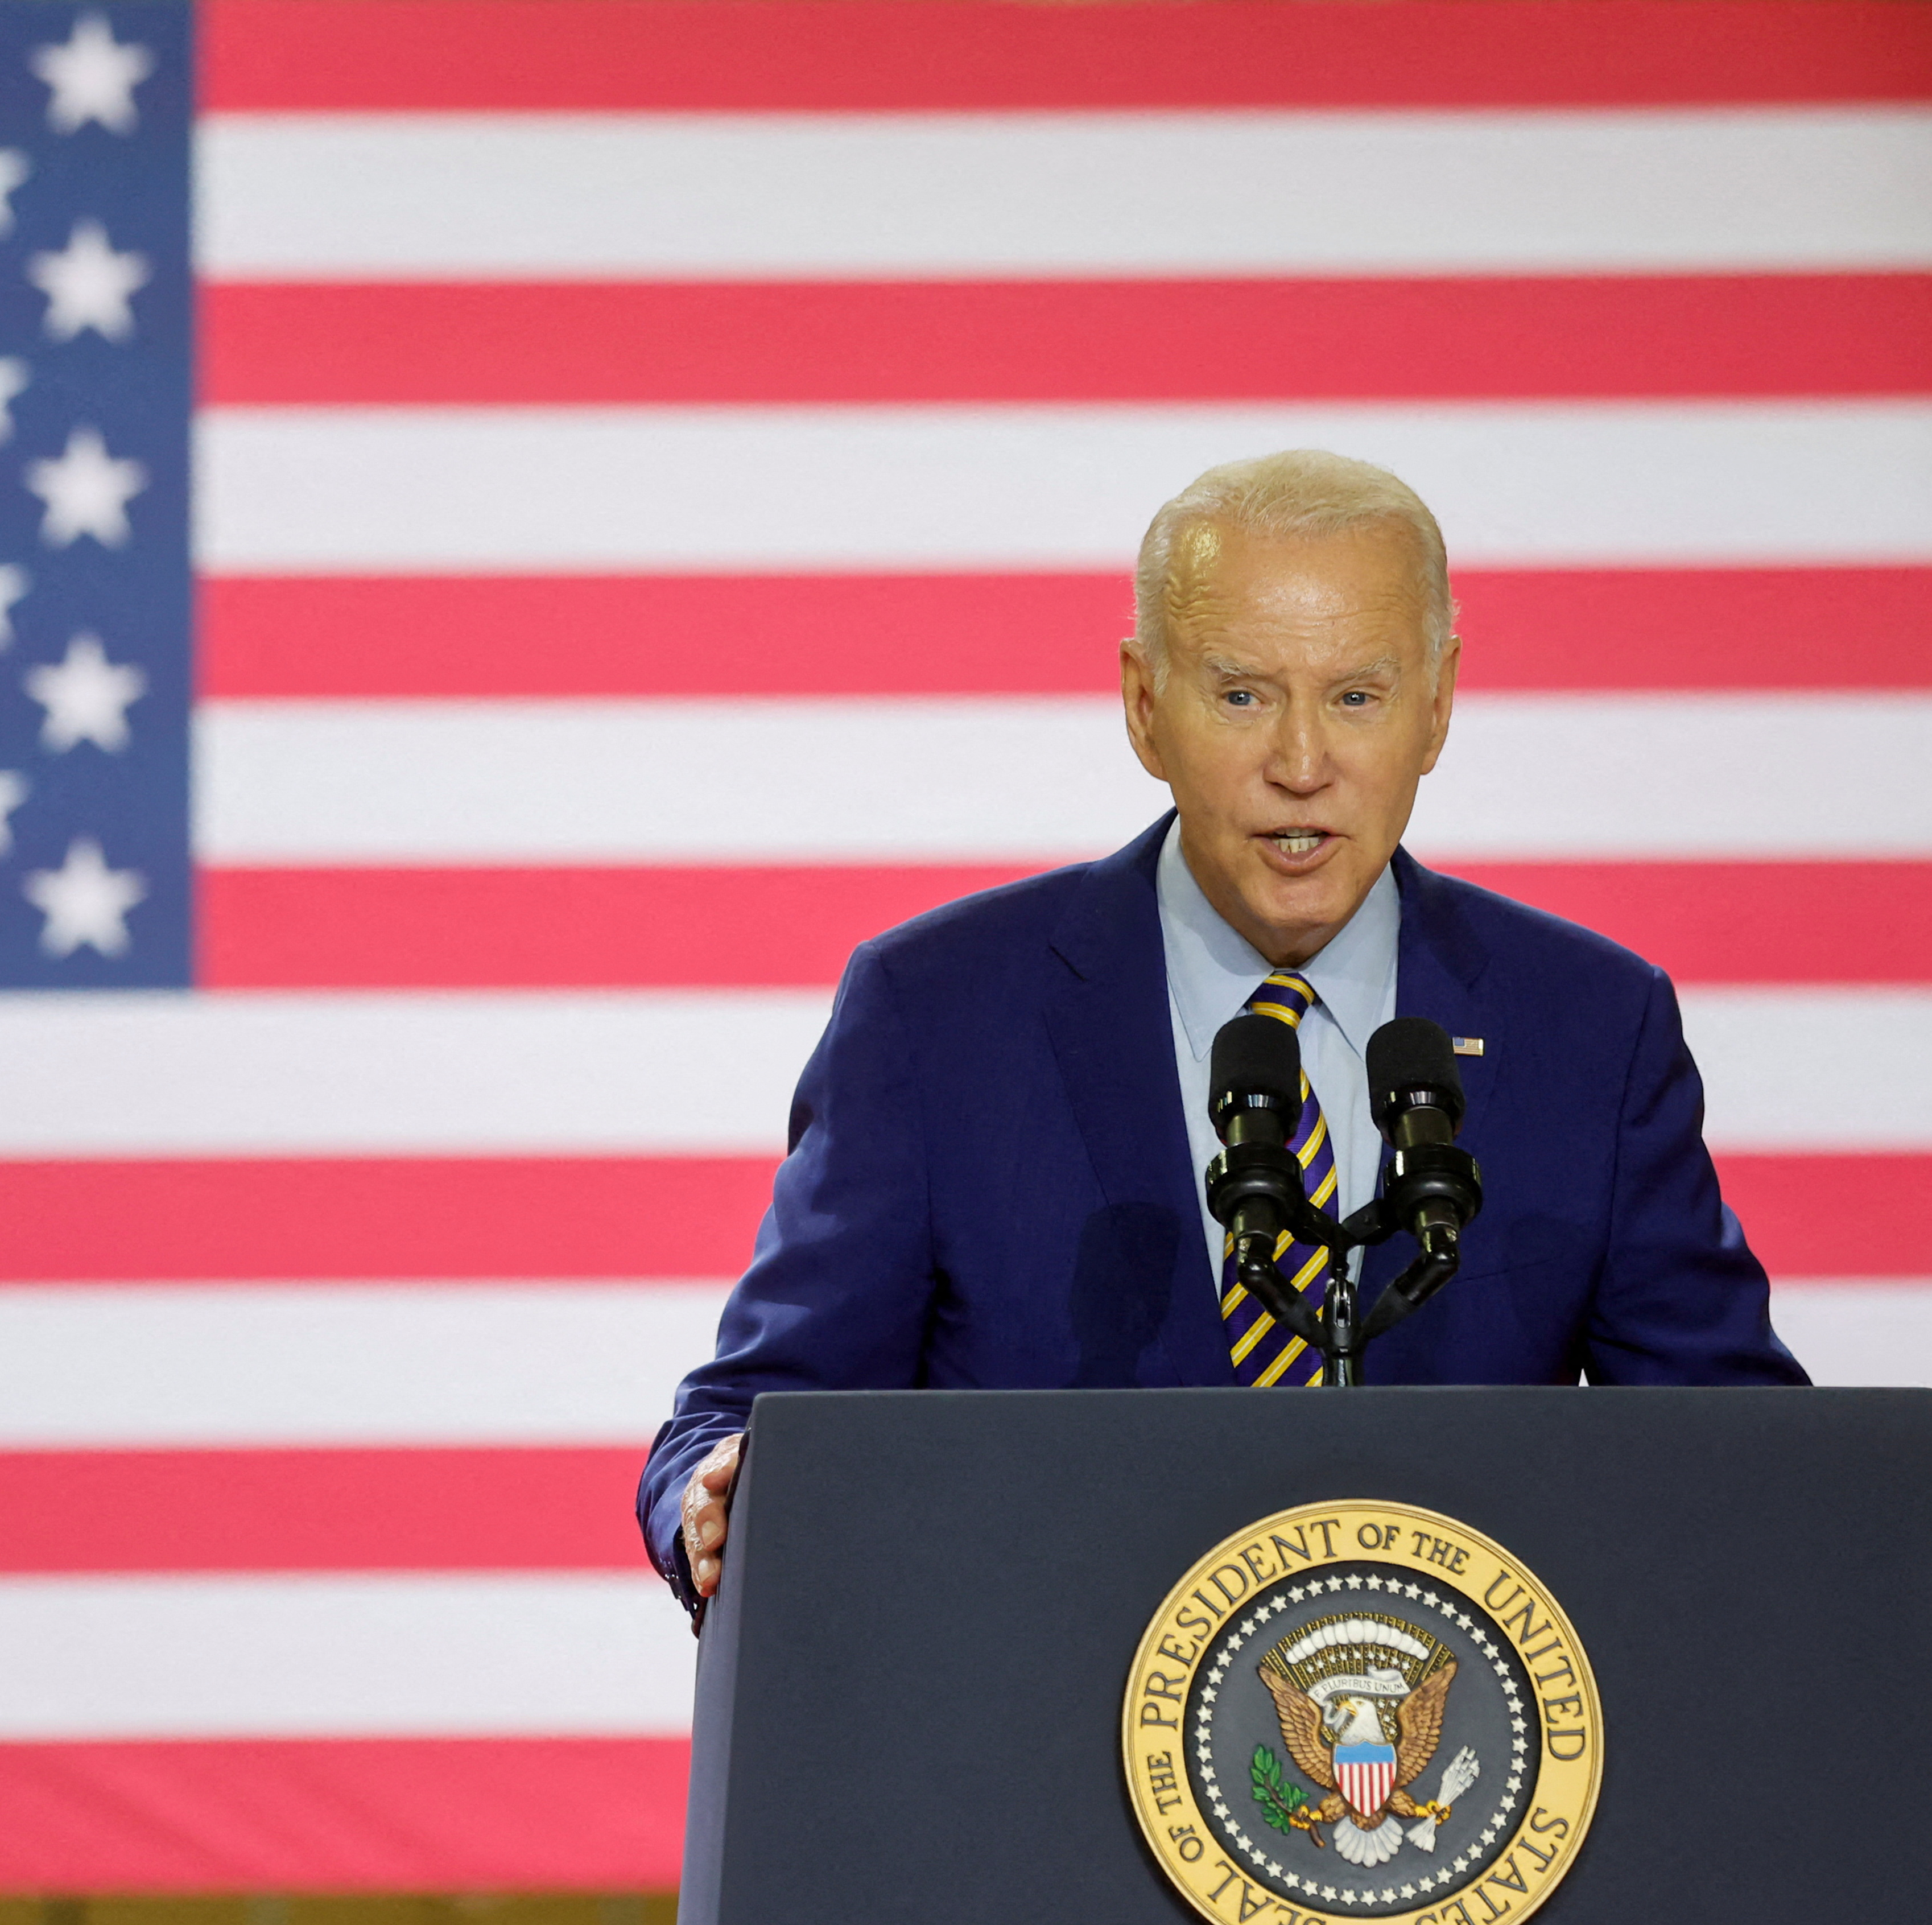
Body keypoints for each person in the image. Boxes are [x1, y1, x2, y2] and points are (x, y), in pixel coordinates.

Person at [639, 450, 1805, 1619]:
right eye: (1242, 693)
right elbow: (748, 1420)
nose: (1300, 765)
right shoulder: (933, 1015)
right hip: (1032, 1758)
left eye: (1356, 695)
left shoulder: (1589, 1028)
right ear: (1144, 705)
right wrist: (722, 1492)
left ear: (1438, 702)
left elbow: (1743, 1469)